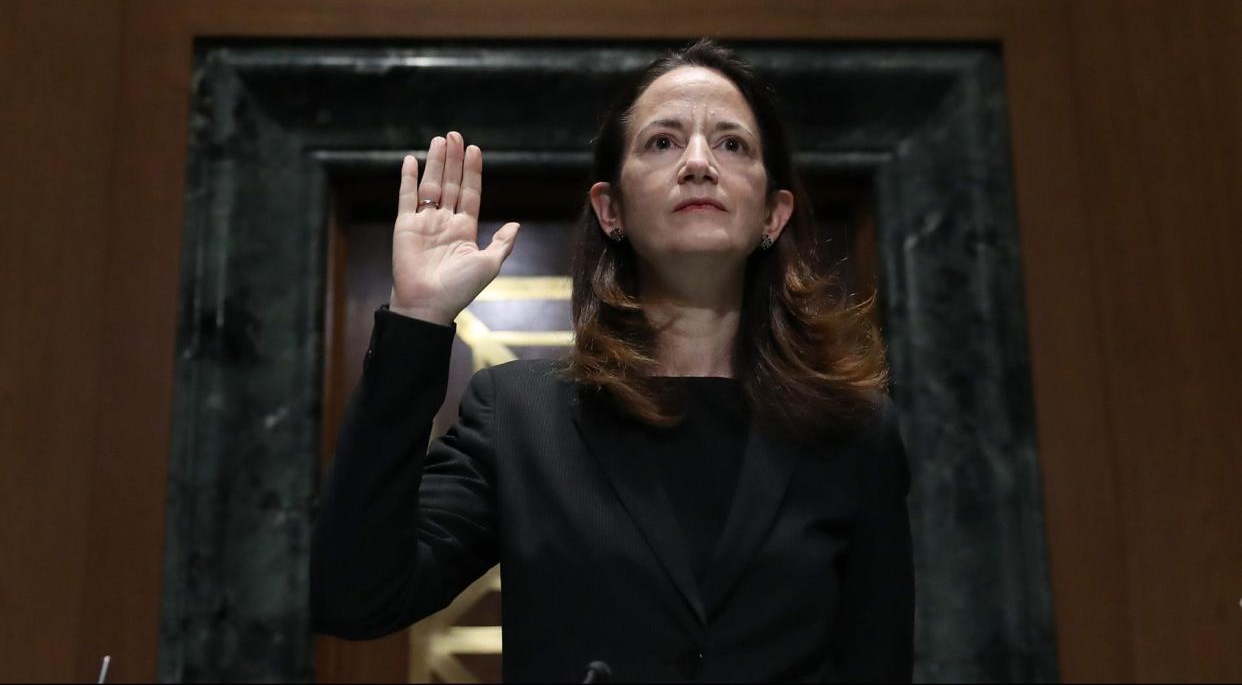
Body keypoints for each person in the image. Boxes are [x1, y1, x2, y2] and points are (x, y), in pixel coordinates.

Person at [311, 39, 913, 683]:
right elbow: (354, 597)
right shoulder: (520, 415)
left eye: (732, 144)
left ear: (773, 212)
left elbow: (878, 661)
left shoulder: (854, 430)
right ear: (611, 209)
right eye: (662, 142)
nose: (699, 163)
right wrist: (416, 321)